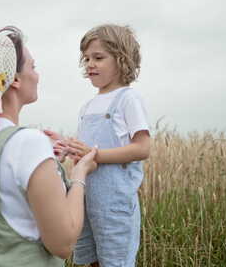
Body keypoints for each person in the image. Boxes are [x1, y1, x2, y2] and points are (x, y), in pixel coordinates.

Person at [0, 26, 97, 267]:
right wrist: (79, 174)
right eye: (33, 67)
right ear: (15, 79)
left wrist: (46, 165)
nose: (37, 75)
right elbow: (63, 244)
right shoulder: (27, 144)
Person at [45, 24, 151, 267]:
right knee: (90, 260)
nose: (90, 64)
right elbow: (86, 151)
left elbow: (142, 148)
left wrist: (97, 156)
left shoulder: (128, 99)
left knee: (115, 261)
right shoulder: (88, 106)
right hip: (84, 200)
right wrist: (66, 145)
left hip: (113, 204)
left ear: (122, 60)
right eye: (87, 58)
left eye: (98, 58)